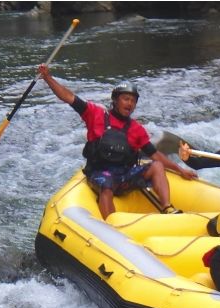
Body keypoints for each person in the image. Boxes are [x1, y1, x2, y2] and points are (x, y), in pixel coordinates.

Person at [37, 64, 197, 219]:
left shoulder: (136, 129)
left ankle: (167, 207)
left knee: (157, 166)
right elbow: (68, 97)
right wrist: (47, 77)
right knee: (106, 184)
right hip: (100, 174)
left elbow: (154, 154)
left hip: (124, 176)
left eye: (133, 101)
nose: (130, 103)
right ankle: (111, 225)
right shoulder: (95, 113)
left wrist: (180, 169)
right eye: (125, 99)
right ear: (115, 100)